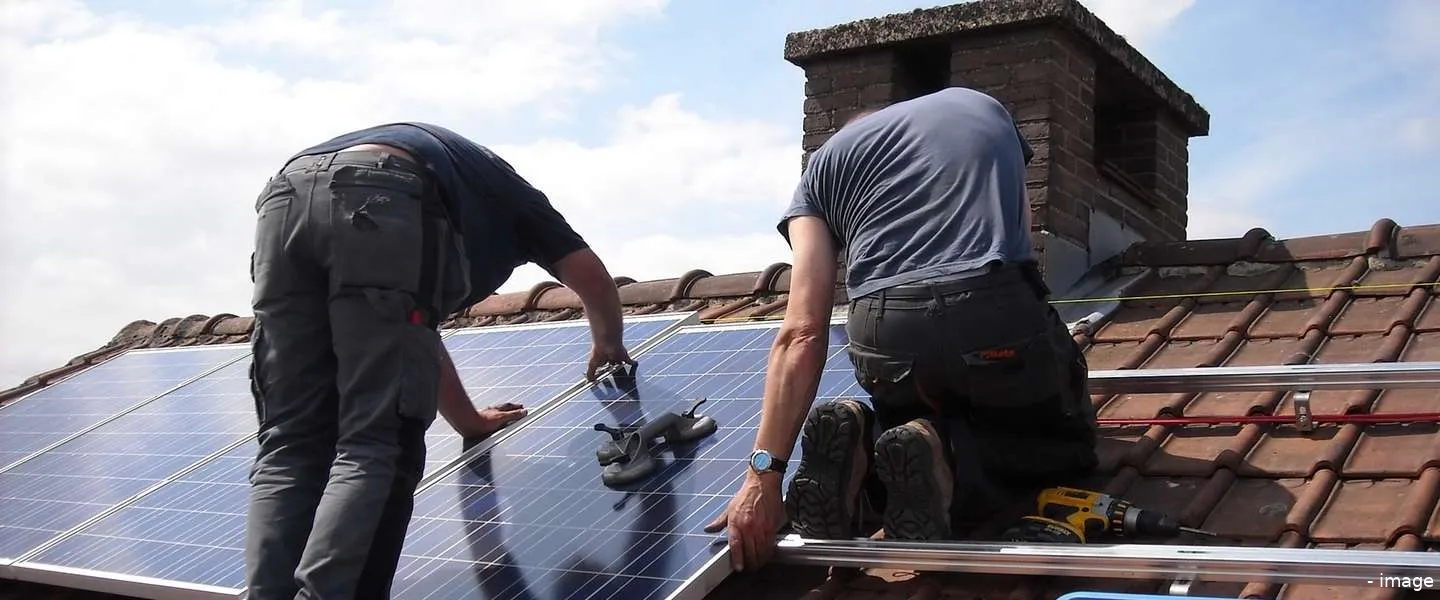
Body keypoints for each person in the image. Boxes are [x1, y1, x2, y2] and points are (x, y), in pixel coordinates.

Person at [704, 87, 1098, 570]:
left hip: (884, 332)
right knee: (1063, 437)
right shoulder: (981, 105)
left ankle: (866, 441)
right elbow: (1021, 238)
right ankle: (948, 457)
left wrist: (763, 473)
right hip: (990, 306)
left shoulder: (820, 169)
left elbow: (802, 330)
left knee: (911, 411)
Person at [245, 122, 635, 600]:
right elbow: (592, 278)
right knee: (379, 440)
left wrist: (469, 421)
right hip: (380, 195)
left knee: (291, 442)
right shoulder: (517, 203)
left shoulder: (466, 185)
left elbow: (417, 337)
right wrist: (609, 344)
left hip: (283, 198)